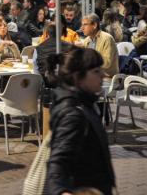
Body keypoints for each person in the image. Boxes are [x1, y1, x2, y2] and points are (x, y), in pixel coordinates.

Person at [44, 47, 116, 195]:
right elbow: (58, 163)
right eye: (96, 71)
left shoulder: (85, 104)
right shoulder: (73, 114)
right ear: (78, 77)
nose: (103, 75)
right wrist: (61, 191)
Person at [80, 13, 118, 79]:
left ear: (94, 25)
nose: (82, 28)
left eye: (85, 24)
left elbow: (107, 63)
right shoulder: (87, 40)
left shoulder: (107, 38)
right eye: (82, 25)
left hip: (107, 78)